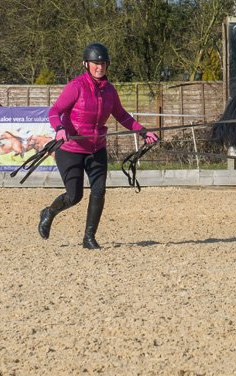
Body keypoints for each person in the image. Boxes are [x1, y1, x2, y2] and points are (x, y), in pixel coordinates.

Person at [39, 43, 159, 249]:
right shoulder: (75, 86)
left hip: (96, 149)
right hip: (71, 150)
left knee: (99, 190)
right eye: (96, 63)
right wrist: (59, 128)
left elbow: (122, 116)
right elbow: (54, 111)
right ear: (86, 64)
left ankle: (89, 238)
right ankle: (49, 212)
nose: (100, 67)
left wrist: (143, 131)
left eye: (103, 63)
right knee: (74, 196)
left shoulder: (110, 91)